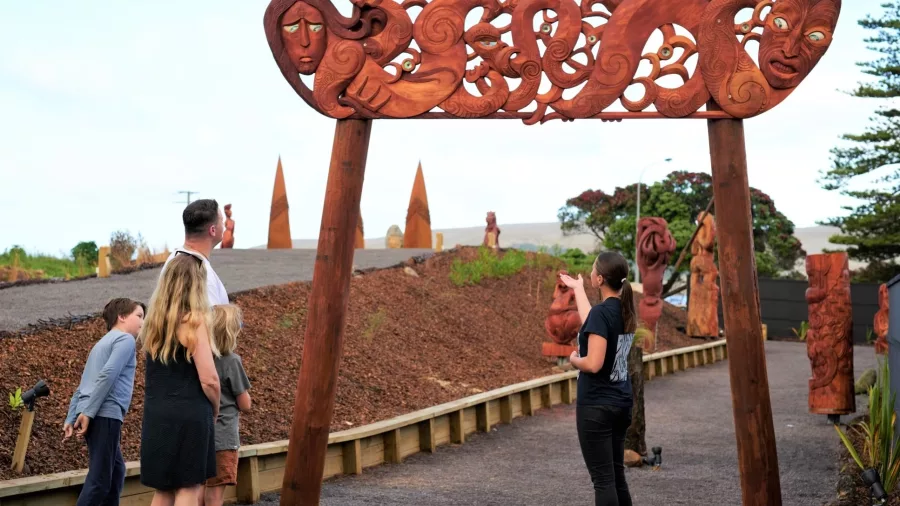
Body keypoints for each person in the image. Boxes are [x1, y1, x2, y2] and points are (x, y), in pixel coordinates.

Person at [139, 254, 221, 506]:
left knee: (163, 488)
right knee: (188, 486)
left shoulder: (152, 323)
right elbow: (209, 380)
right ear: (195, 284)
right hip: (189, 413)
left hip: (156, 414)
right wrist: (215, 409)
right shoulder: (194, 322)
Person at [560, 251, 637, 506]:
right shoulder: (623, 311)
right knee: (616, 477)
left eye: (593, 270)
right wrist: (578, 288)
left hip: (596, 407)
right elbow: (591, 322)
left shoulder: (602, 314)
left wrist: (574, 360)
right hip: (621, 403)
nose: (590, 273)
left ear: (600, 279)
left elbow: (593, 363)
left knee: (603, 481)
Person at [64, 298, 146, 506]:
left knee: (117, 472)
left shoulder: (102, 343)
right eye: (139, 316)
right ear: (122, 317)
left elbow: (83, 385)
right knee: (100, 481)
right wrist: (89, 413)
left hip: (94, 412)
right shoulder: (125, 340)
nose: (143, 322)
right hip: (104, 413)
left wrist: (72, 415)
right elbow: (108, 374)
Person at [201, 304, 252, 506]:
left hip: (200, 435)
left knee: (198, 490)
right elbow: (244, 403)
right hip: (223, 438)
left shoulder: (199, 360)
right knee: (215, 494)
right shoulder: (232, 361)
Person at [161, 198, 228, 306]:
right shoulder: (201, 274)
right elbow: (211, 320)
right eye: (221, 221)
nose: (224, 226)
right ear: (213, 230)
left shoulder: (173, 259)